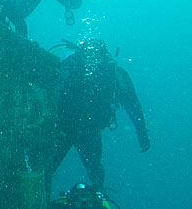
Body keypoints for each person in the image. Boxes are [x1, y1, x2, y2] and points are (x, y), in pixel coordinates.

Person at [51, 39, 150, 191]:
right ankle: (39, 204)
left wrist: (141, 132)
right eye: (89, 52)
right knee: (50, 167)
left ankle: (96, 202)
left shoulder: (114, 74)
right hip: (66, 128)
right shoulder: (69, 67)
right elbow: (133, 106)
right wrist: (141, 132)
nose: (93, 57)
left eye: (96, 53)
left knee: (93, 170)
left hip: (82, 129)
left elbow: (133, 105)